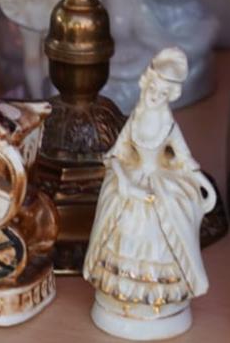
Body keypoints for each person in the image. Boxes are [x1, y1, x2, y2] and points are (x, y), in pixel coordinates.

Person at [84, 47, 216, 338]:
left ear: (171, 95)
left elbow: (184, 159)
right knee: (122, 217)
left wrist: (202, 183)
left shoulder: (168, 125)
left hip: (159, 182)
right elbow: (116, 155)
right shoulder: (136, 118)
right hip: (130, 177)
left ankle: (162, 302)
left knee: (162, 221)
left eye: (162, 93)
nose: (154, 96)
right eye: (153, 88)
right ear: (146, 83)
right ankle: (118, 299)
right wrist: (125, 182)